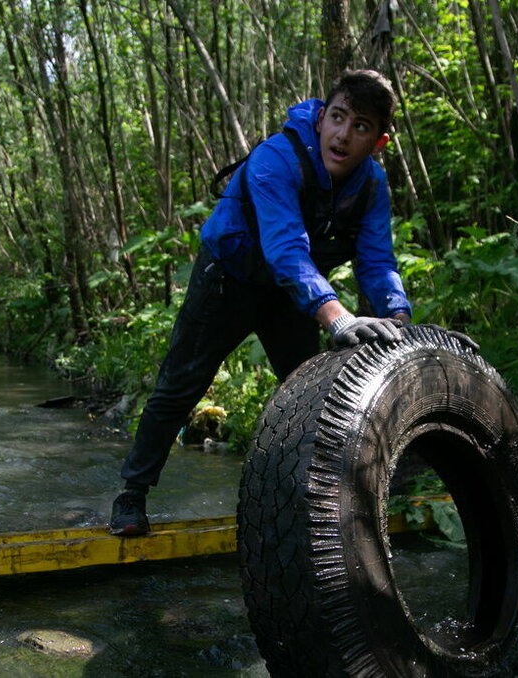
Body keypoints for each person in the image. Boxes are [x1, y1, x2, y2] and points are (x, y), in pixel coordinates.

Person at [109, 69, 412, 536]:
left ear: (379, 141)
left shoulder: (371, 186)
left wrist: (398, 319)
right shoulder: (276, 158)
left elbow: (376, 260)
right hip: (228, 278)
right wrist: (337, 317)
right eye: (337, 117)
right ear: (320, 119)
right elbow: (285, 248)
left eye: (361, 127)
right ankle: (132, 494)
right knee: (181, 386)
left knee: (310, 395)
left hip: (290, 296)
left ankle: (313, 499)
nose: (343, 135)